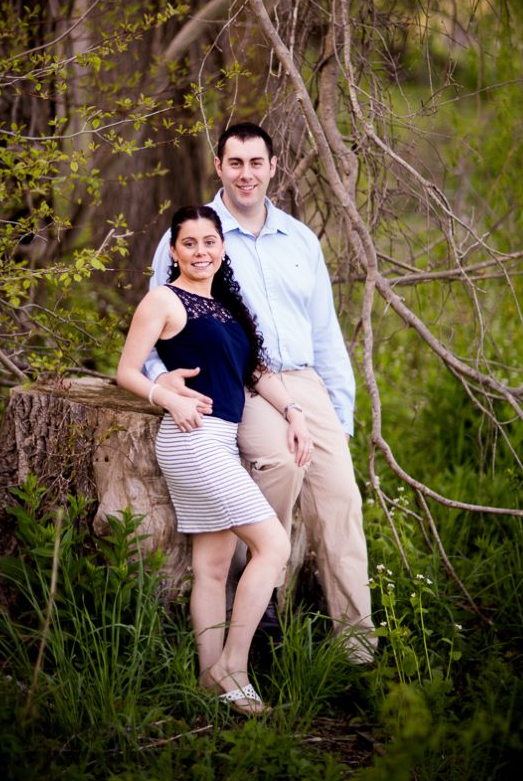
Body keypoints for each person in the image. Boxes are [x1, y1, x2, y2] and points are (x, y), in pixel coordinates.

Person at [145, 123, 376, 664]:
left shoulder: (300, 239)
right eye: (235, 163)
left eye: (256, 162)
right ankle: (260, 602)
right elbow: (158, 317)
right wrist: (162, 382)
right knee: (278, 463)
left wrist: (338, 414)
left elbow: (325, 334)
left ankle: (359, 651)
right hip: (244, 382)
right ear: (219, 168)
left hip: (305, 384)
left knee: (342, 502)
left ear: (273, 167)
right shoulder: (197, 235)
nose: (246, 173)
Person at [116, 204, 313, 714]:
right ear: (174, 250)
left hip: (220, 439)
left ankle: (208, 679)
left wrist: (293, 412)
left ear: (221, 248)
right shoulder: (163, 300)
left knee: (213, 565)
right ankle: (234, 666)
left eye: (209, 242)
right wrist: (169, 397)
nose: (201, 252)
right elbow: (127, 371)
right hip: (192, 439)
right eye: (189, 243)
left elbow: (255, 372)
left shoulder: (226, 306)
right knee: (273, 546)